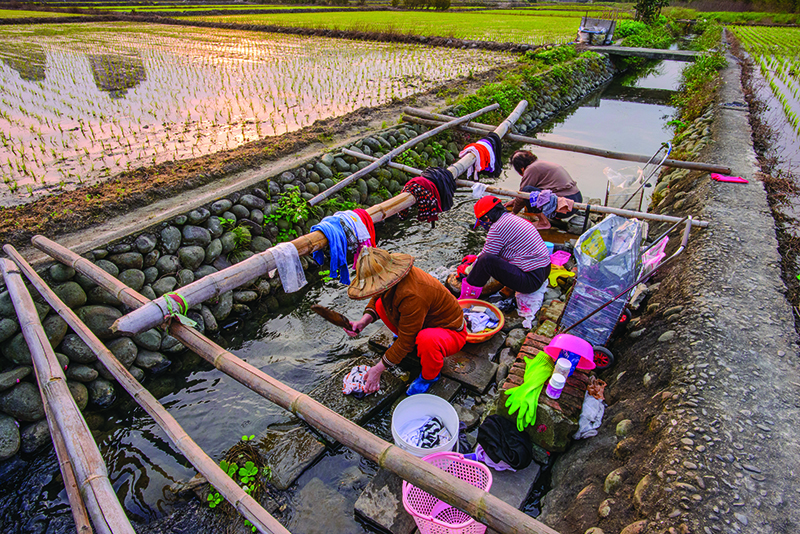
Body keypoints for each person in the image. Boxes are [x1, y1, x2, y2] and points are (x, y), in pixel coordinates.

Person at [345, 247, 467, 396]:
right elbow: (377, 297)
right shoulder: (392, 280)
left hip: (451, 332)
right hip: (423, 322)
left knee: (426, 340)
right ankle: (408, 350)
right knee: (379, 305)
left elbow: (406, 340)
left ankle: (430, 376)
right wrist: (363, 322)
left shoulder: (412, 294)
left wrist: (377, 369)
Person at [460, 196, 551, 305]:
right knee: (486, 258)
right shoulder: (511, 219)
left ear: (486, 218)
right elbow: (493, 249)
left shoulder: (497, 228)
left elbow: (486, 257)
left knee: (485, 260)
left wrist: (468, 271)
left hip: (531, 281)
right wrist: (476, 260)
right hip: (544, 270)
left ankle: (467, 297)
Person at [509, 150, 583, 228]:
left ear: (521, 168)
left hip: (565, 205)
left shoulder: (531, 169)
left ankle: (543, 222)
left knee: (527, 190)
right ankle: (553, 218)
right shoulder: (540, 164)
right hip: (575, 201)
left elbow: (523, 194)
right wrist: (514, 201)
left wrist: (513, 212)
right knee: (531, 191)